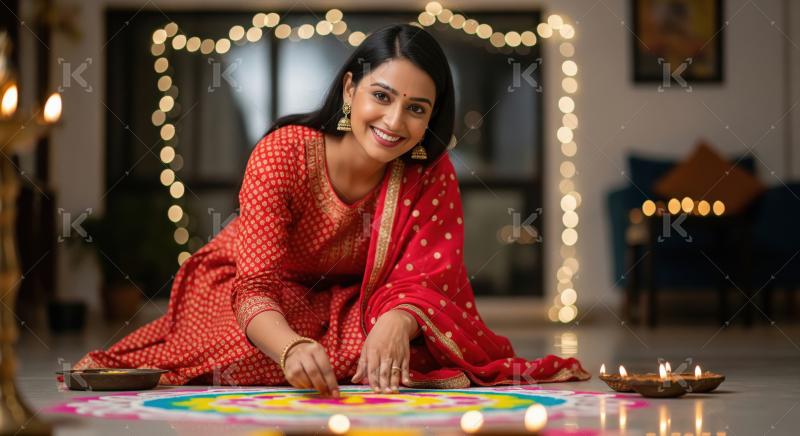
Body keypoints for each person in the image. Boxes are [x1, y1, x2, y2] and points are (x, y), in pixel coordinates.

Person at [72, 24, 589, 398]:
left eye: (416, 108)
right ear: (349, 89)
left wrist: (398, 321)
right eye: (381, 96)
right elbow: (253, 289)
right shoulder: (285, 153)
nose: (393, 121)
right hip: (247, 291)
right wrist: (292, 348)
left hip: (350, 302)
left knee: (400, 348)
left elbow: (433, 279)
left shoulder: (427, 170)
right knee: (248, 352)